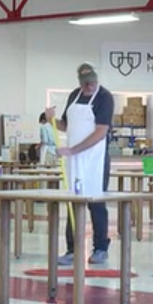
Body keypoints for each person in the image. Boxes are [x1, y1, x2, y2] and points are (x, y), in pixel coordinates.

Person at [45, 63, 114, 266]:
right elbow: (66, 125)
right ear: (80, 83)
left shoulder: (104, 97)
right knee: (73, 202)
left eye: (93, 82)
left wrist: (73, 150)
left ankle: (101, 248)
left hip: (95, 159)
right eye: (86, 83)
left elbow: (101, 131)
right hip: (74, 158)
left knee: (96, 202)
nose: (90, 86)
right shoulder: (74, 95)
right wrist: (52, 121)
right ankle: (72, 250)